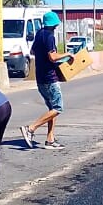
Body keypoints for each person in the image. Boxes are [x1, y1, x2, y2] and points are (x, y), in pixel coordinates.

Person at [20, 11, 72, 150]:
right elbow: (53, 57)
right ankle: (30, 128)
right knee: (58, 108)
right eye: (55, 25)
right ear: (53, 24)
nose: (56, 27)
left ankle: (50, 139)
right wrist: (67, 54)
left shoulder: (39, 34)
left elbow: (33, 52)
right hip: (50, 78)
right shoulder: (49, 36)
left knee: (52, 109)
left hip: (40, 77)